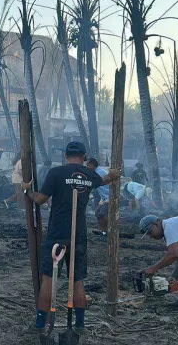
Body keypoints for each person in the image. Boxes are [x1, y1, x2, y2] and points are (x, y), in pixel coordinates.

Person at [24, 142, 121, 331]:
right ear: (84, 157)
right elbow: (105, 179)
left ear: (66, 155)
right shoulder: (89, 175)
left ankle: (39, 324)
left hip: (57, 234)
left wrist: (26, 190)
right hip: (78, 235)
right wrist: (114, 174)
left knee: (48, 279)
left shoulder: (56, 173)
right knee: (77, 281)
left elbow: (40, 199)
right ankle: (80, 324)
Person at [87, 158, 110, 233]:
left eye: (88, 165)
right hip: (104, 198)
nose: (87, 167)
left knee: (102, 214)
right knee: (97, 213)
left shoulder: (98, 173)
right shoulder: (97, 171)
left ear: (92, 165)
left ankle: (109, 229)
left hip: (110, 197)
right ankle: (103, 231)